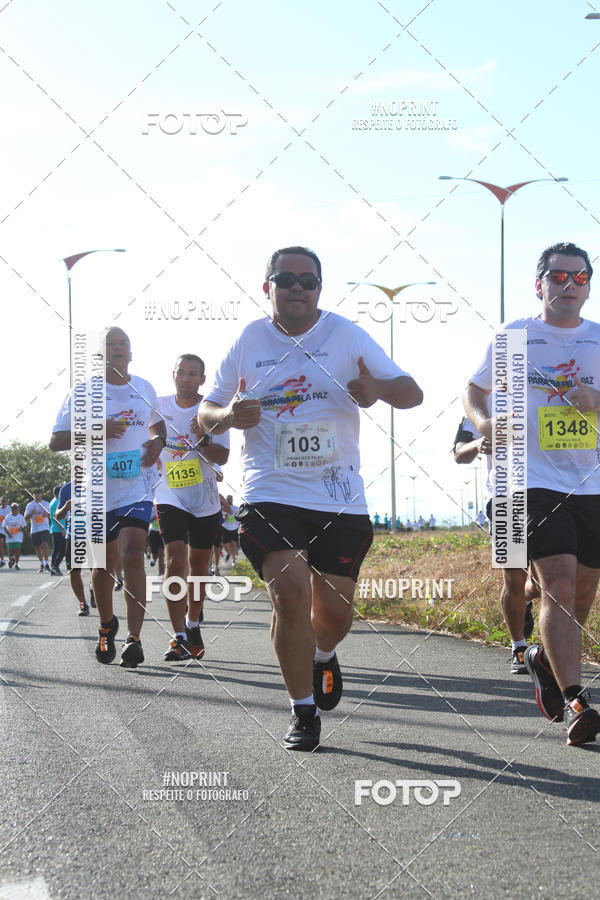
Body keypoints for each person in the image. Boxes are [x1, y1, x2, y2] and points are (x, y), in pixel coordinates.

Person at [197, 245, 423, 751]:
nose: (297, 288)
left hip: (339, 495)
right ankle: (302, 712)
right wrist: (229, 415)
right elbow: (205, 414)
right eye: (286, 279)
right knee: (289, 593)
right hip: (270, 491)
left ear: (320, 287)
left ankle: (322, 654)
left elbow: (412, 392)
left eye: (308, 281)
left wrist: (375, 390)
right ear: (267, 286)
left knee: (335, 615)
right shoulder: (248, 340)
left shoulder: (345, 334)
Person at [464, 241, 600, 745]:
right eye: (559, 277)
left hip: (590, 480)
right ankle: (576, 700)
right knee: (558, 585)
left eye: (579, 278)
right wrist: (484, 423)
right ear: (538, 283)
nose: (569, 285)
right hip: (527, 480)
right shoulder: (515, 338)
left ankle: (545, 654)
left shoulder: (598, 340)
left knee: (583, 592)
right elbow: (474, 389)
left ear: (588, 285)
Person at [50, 327, 166, 667]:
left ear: (131, 353)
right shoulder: (83, 392)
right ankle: (106, 625)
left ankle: (134, 638)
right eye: (110, 345)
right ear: (100, 355)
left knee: (132, 554)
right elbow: (56, 441)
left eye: (123, 344)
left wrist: (158, 442)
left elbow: (158, 426)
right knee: (102, 565)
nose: (117, 349)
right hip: (96, 490)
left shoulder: (144, 388)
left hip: (137, 487)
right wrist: (95, 430)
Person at [153, 354, 229, 661]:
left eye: (192, 374)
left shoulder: (212, 411)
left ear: (202, 378)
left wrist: (203, 440)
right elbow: (144, 435)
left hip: (205, 497)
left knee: (199, 567)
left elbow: (222, 457)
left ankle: (193, 621)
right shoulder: (157, 405)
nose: (186, 378)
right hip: (169, 492)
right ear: (173, 374)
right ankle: (178, 636)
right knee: (174, 561)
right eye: (181, 372)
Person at [453, 415, 536, 672]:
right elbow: (458, 453)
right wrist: (478, 444)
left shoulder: (548, 387)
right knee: (513, 576)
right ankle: (519, 647)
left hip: (550, 493)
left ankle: (522, 598)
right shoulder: (480, 405)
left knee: (549, 582)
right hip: (505, 500)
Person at [55, 481, 90, 616]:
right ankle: (83, 603)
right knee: (74, 572)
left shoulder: (99, 484)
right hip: (74, 536)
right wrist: (66, 506)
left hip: (95, 535)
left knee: (98, 571)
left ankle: (94, 589)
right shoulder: (66, 489)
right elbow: (58, 516)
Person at [24, 489, 51, 573]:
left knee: (45, 544)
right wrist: (32, 513)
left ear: (41, 495)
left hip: (44, 528)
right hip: (35, 528)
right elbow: (25, 518)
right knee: (37, 547)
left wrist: (47, 514)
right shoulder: (30, 505)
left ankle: (47, 563)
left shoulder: (46, 504)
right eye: (35, 494)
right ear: (33, 495)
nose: (37, 495)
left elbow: (52, 515)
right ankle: (41, 563)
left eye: (39, 494)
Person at [2, 503, 26, 569]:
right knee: (10, 550)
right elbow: (4, 526)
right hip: (10, 537)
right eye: (13, 508)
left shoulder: (20, 517)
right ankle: (10, 560)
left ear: (18, 509)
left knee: (17, 550)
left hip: (18, 537)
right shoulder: (8, 517)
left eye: (16, 508)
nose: (14, 510)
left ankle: (17, 563)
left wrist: (21, 528)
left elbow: (24, 526)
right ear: (11, 509)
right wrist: (8, 533)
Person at [49, 486, 66, 575]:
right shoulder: (57, 502)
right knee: (63, 549)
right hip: (58, 530)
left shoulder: (53, 501)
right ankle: (55, 566)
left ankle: (53, 568)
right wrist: (62, 529)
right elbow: (56, 517)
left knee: (56, 550)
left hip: (55, 529)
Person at [221, 494, 239, 564]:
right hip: (225, 528)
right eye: (228, 499)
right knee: (226, 545)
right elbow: (222, 518)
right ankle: (229, 553)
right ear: (226, 500)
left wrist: (236, 519)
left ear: (232, 499)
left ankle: (233, 559)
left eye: (230, 499)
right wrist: (224, 517)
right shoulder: (223, 508)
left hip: (234, 528)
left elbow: (239, 518)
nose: (229, 500)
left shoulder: (236, 508)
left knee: (234, 544)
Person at [0, 495, 10, 567]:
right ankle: (2, 560)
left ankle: (11, 558)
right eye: (2, 501)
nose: (3, 502)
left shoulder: (10, 508)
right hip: (1, 529)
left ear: (7, 502)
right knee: (0, 543)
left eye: (5, 501)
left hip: (9, 529)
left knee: (8, 545)